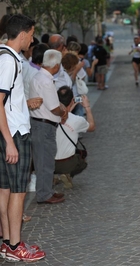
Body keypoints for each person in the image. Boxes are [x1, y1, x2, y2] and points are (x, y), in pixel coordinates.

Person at [0, 14, 46, 262]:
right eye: (31, 34)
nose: (32, 39)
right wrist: (9, 141)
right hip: (14, 134)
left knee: (5, 189)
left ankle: (8, 243)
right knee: (18, 191)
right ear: (23, 33)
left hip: (8, 130)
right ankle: (16, 245)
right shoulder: (9, 61)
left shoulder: (3, 56)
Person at [29, 49, 68, 205]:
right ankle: (44, 194)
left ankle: (46, 191)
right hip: (44, 125)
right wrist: (62, 113)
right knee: (45, 161)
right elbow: (53, 107)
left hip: (40, 123)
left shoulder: (39, 76)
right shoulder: (46, 81)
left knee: (44, 160)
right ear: (56, 65)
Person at [54, 86, 95, 188]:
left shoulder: (49, 117)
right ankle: (68, 174)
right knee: (83, 161)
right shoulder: (77, 120)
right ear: (72, 100)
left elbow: (64, 116)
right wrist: (87, 108)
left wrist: (69, 108)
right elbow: (92, 127)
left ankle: (53, 176)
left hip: (49, 163)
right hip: (68, 163)